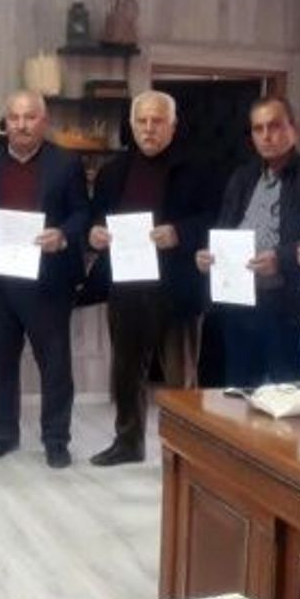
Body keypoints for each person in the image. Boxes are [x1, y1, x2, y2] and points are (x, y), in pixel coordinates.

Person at [0, 90, 89, 469]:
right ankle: (2, 435)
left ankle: (56, 440)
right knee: (0, 364)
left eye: (30, 117)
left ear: (43, 122)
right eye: (14, 117)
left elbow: (82, 213)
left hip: (48, 284)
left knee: (55, 367)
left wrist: (63, 234)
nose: (21, 125)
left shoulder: (66, 164)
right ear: (6, 122)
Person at [87, 90, 215, 466]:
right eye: (141, 121)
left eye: (157, 121)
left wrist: (180, 233)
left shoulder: (200, 168)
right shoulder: (113, 172)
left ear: (172, 126)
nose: (148, 128)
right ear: (131, 125)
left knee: (180, 377)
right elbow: (96, 218)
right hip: (127, 286)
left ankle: (186, 452)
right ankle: (128, 442)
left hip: (178, 286)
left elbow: (217, 218)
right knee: (126, 371)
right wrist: (93, 234)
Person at [195, 95, 300, 386]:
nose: (266, 135)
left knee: (291, 393)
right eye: (258, 128)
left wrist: (281, 258)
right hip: (239, 302)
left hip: (287, 307)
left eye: (274, 126)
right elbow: (224, 227)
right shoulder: (242, 176)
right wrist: (209, 256)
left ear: (293, 129)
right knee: (239, 392)